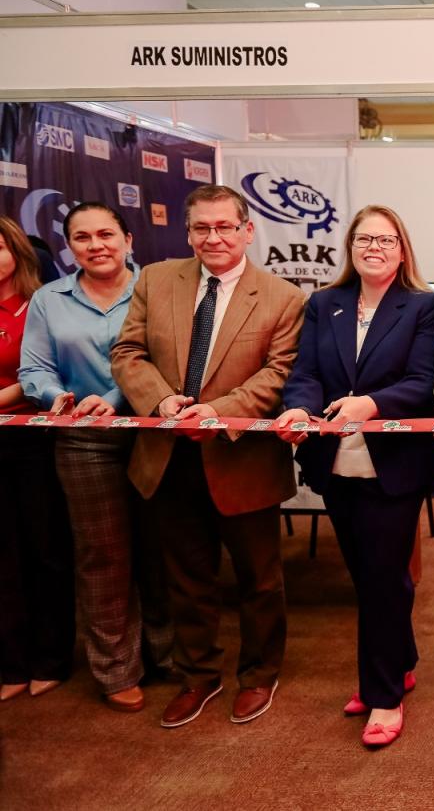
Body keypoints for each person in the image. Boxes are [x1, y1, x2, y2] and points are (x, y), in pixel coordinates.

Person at [111, 184, 305, 729]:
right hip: (167, 457)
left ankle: (259, 674)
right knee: (187, 579)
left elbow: (278, 373)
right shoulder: (155, 280)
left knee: (258, 580)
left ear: (248, 231)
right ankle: (198, 675)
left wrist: (216, 412)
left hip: (242, 460)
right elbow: (127, 352)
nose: (213, 237)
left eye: (225, 226)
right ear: (188, 232)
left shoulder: (284, 297)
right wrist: (162, 401)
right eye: (202, 227)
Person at [275, 205, 434, 748]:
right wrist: (299, 408)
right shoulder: (324, 303)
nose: (375, 247)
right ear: (350, 247)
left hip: (393, 466)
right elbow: (305, 373)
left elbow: (424, 382)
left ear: (402, 249)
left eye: (386, 239)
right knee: (371, 576)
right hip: (335, 463)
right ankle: (401, 661)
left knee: (381, 580)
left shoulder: (424, 306)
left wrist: (370, 404)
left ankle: (383, 693)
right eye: (365, 239)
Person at [18, 203, 170, 713]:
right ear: (69, 247)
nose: (96, 245)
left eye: (106, 234)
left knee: (161, 549)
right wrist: (54, 396)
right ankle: (116, 669)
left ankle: (167, 654)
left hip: (154, 433)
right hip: (82, 439)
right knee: (102, 556)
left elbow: (165, 360)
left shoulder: (158, 288)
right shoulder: (49, 299)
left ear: (129, 240)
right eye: (82, 237)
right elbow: (34, 369)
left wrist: (116, 397)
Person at [0, 217, 74, 703]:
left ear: (17, 251)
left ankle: (51, 657)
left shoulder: (41, 304)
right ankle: (11, 663)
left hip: (31, 440)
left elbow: (42, 373)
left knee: (44, 550)